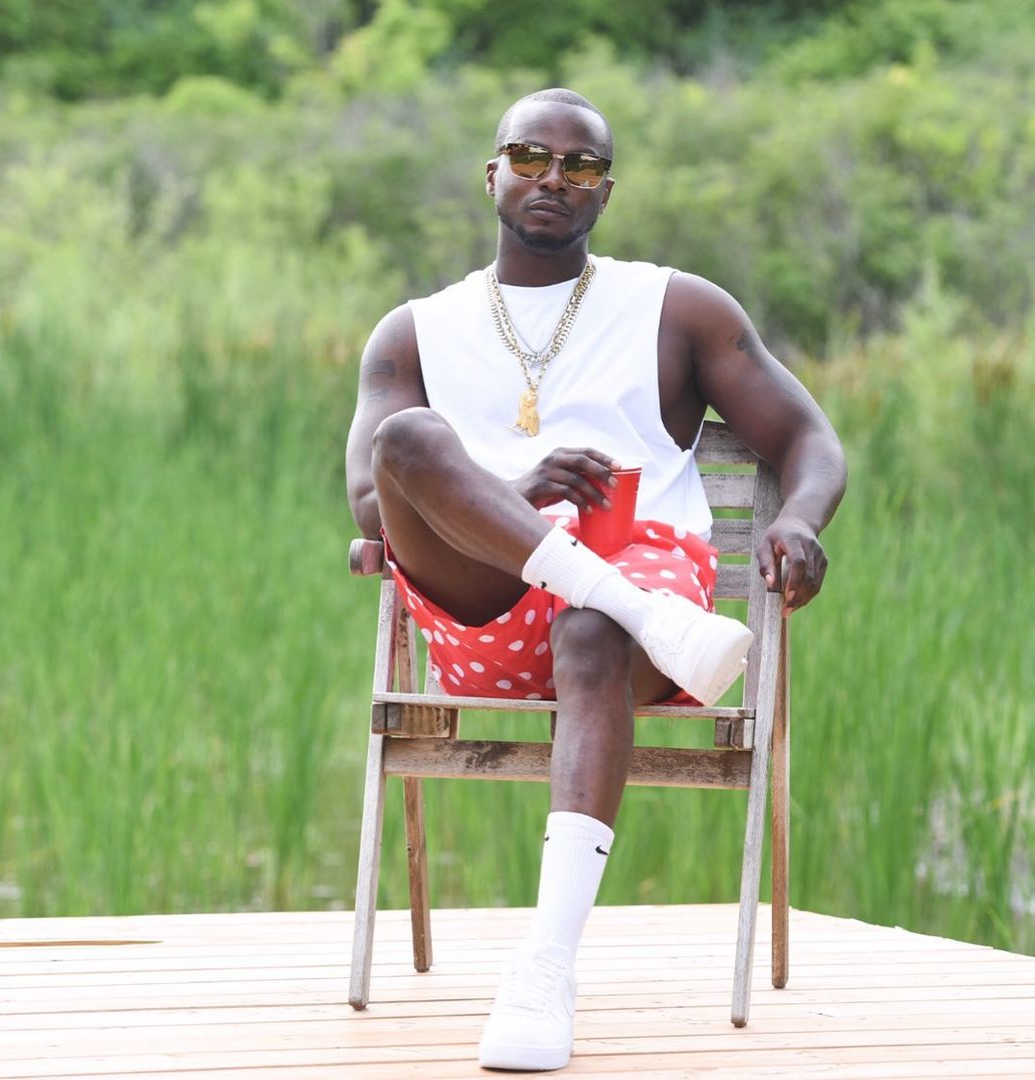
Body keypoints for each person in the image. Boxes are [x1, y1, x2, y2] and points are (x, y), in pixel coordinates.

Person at [345, 87, 847, 1072]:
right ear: (492, 173)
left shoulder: (678, 308)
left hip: (634, 613)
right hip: (491, 604)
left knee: (592, 626)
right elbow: (373, 501)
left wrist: (795, 521)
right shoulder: (413, 331)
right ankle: (618, 600)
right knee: (409, 439)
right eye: (530, 157)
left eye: (581, 166)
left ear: (606, 191)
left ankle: (544, 968)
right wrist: (517, 493)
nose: (554, 178)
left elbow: (807, 438)